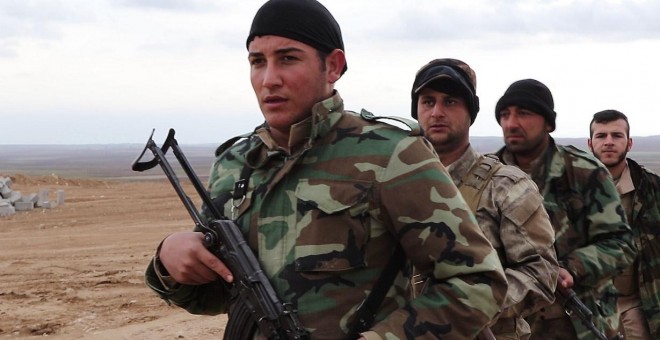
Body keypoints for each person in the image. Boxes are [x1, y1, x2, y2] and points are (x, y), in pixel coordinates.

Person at [144, 0, 508, 339]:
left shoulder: (393, 155)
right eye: (258, 62)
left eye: (287, 59)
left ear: (333, 66)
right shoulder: (236, 164)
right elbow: (216, 295)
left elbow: (477, 281)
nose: (269, 78)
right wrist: (170, 260)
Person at [410, 59, 559, 340]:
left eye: (451, 101)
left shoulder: (506, 187)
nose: (437, 112)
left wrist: (471, 305)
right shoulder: (394, 183)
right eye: (428, 102)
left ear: (470, 113)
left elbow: (542, 273)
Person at [493, 79, 636, 339]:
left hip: (578, 323)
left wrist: (571, 268)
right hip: (514, 326)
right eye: (505, 115)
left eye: (524, 113)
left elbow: (620, 244)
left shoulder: (584, 172)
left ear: (548, 123)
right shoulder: (488, 177)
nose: (511, 123)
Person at [588, 109, 660, 339]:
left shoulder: (652, 189)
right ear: (590, 144)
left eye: (617, 135)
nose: (609, 142)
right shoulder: (566, 192)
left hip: (639, 306)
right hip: (586, 308)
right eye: (601, 136)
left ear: (629, 143)